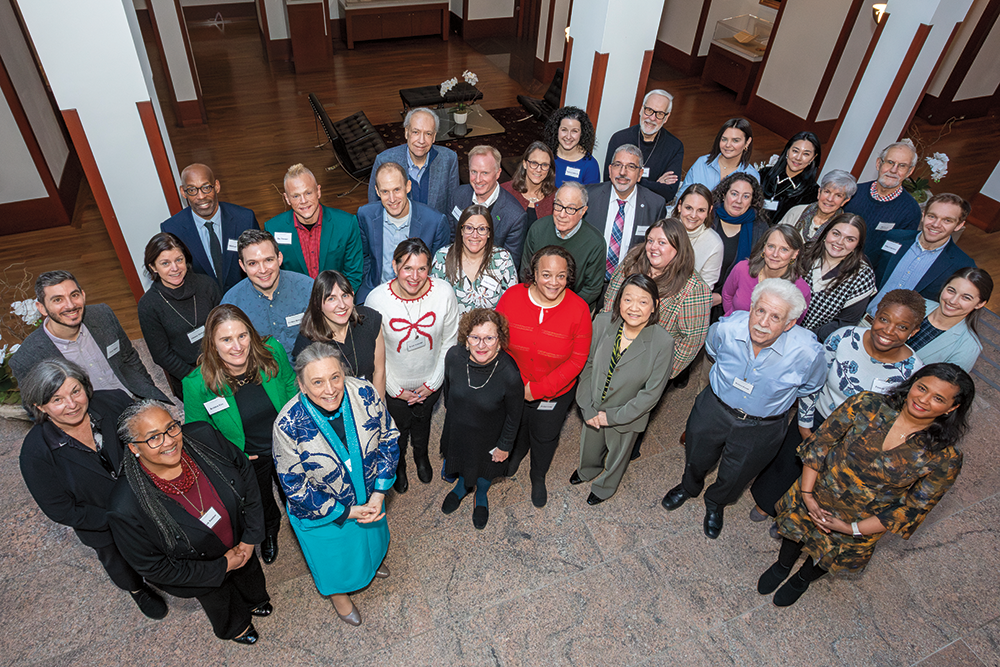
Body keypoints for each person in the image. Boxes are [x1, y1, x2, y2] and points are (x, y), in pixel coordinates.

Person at [758, 363, 973, 607]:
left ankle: (801, 580)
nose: (923, 400)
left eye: (938, 398)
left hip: (859, 524)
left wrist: (850, 529)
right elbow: (820, 444)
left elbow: (910, 510)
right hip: (815, 493)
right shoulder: (868, 404)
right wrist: (807, 495)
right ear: (913, 383)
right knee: (794, 532)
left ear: (951, 408)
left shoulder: (945, 458)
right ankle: (782, 565)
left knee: (829, 557)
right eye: (922, 388)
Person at [661, 279, 825, 539]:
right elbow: (713, 352)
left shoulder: (808, 353)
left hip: (763, 426)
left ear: (790, 324)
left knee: (737, 473)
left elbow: (810, 388)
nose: (763, 322)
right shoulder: (726, 329)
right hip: (714, 408)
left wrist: (804, 423)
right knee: (697, 454)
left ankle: (716, 503)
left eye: (775, 317)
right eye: (760, 311)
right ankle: (688, 487)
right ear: (751, 307)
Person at [750, 289, 926, 530]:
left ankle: (791, 519)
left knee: (825, 482)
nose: (888, 331)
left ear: (914, 332)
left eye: (902, 327)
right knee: (789, 464)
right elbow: (813, 381)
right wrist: (804, 423)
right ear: (874, 315)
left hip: (856, 437)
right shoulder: (844, 338)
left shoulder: (912, 372)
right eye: (884, 319)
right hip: (817, 416)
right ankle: (766, 503)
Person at [109, 401, 271, 643]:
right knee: (218, 599)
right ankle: (236, 626)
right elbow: (153, 566)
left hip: (239, 537)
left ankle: (255, 600)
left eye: (171, 428)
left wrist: (250, 538)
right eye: (154, 438)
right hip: (199, 568)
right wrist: (221, 566)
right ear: (134, 448)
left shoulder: (204, 436)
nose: (169, 441)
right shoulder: (125, 506)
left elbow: (245, 472)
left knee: (250, 573)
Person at [18, 360, 168, 620]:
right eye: (57, 399)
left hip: (151, 497)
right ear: (40, 407)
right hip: (101, 524)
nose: (72, 404)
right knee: (119, 562)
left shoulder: (115, 402)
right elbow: (61, 510)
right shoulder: (35, 453)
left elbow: (150, 440)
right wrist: (118, 518)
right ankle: (137, 590)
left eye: (75, 391)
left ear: (86, 387)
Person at [273, 343, 399, 626]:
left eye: (335, 377)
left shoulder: (363, 392)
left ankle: (370, 565)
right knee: (335, 559)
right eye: (317, 382)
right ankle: (339, 597)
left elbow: (389, 437)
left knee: (371, 541)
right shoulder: (287, 425)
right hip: (326, 514)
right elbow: (294, 486)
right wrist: (347, 512)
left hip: (370, 496)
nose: (329, 389)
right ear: (302, 386)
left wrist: (379, 493)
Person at [182, 304, 298, 565]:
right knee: (262, 500)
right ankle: (270, 530)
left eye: (242, 336)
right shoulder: (197, 384)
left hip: (286, 443)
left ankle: (303, 524)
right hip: (248, 458)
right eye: (226, 339)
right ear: (212, 344)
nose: (237, 346)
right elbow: (198, 437)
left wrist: (295, 426)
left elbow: (290, 383)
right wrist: (238, 457)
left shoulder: (271, 352)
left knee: (295, 488)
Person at [496, 246, 593, 508]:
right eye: (546, 274)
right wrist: (516, 385)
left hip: (555, 392)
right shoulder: (512, 296)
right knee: (515, 426)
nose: (553, 282)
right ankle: (516, 455)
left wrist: (537, 390)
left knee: (545, 435)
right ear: (534, 273)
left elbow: (577, 360)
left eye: (561, 276)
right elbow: (498, 342)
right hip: (513, 385)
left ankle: (538, 474)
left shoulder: (579, 309)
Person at [365, 238, 460, 494]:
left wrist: (432, 384)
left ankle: (421, 456)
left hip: (430, 381)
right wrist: (394, 389)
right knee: (397, 429)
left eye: (421, 268)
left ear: (430, 268)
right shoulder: (376, 299)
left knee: (424, 422)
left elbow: (449, 341)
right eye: (407, 268)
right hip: (394, 385)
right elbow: (374, 352)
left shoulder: (444, 293)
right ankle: (399, 465)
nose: (415, 276)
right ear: (395, 266)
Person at [574, 274, 674, 503]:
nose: (634, 308)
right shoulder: (602, 322)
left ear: (654, 306)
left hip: (627, 415)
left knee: (618, 457)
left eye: (643, 301)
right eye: (628, 299)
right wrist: (587, 406)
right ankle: (587, 470)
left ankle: (604, 487)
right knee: (589, 445)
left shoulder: (662, 342)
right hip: (594, 402)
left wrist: (612, 417)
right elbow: (587, 364)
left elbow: (651, 394)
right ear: (619, 300)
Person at [10, 271, 169, 402]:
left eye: (74, 295)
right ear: (42, 308)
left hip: (135, 399)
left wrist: (148, 395)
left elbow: (129, 357)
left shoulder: (103, 314)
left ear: (83, 295)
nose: (71, 305)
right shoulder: (27, 358)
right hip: (93, 421)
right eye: (58, 299)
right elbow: (36, 406)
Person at [439, 309, 524, 529]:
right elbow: (448, 390)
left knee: (484, 469)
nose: (481, 345)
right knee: (461, 460)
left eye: (489, 338)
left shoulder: (510, 374)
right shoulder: (454, 357)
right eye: (475, 337)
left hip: (490, 436)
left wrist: (504, 446)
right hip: (459, 428)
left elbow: (515, 416)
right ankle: (462, 487)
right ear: (466, 338)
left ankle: (481, 496)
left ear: (499, 341)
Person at [603, 218, 711, 379]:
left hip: (647, 365)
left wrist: (661, 375)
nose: (653, 247)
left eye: (662, 242)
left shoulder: (695, 290)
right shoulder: (632, 262)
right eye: (650, 241)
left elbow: (690, 343)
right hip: (613, 346)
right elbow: (610, 303)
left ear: (678, 248)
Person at [137, 232, 222, 400]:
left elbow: (225, 327)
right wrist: (196, 378)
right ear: (153, 267)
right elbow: (162, 355)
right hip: (188, 376)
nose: (174, 268)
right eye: (165, 263)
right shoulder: (148, 305)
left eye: (179, 260)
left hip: (223, 363)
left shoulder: (207, 285)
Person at [356, 161, 450, 302]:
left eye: (397, 190)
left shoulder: (435, 222)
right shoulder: (365, 215)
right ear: (377, 191)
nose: (392, 199)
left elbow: (438, 269)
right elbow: (364, 257)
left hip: (417, 295)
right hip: (376, 292)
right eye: (385, 192)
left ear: (408, 186)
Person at [160, 163, 259, 292]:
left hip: (245, 297)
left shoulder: (245, 218)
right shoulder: (172, 229)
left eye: (206, 188)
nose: (200, 196)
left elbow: (259, 261)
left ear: (216, 186)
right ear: (183, 192)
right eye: (192, 190)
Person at [868, 193, 976, 311]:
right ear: (923, 216)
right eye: (932, 216)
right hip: (863, 316)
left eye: (947, 220)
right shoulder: (894, 237)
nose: (935, 224)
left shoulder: (962, 265)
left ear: (959, 225)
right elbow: (869, 269)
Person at [222, 229, 314, 363]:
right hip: (264, 378)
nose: (263, 270)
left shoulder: (307, 288)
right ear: (242, 265)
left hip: (310, 371)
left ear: (279, 258)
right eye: (253, 263)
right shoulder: (232, 303)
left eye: (268, 260)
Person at [264, 163, 364, 287]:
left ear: (318, 191)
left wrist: (337, 302)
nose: (303, 201)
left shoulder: (347, 223)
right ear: (287, 199)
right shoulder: (273, 228)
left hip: (336, 299)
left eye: (308, 193)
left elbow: (353, 274)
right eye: (296, 196)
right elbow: (273, 276)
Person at [292, 270, 386, 397]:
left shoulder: (369, 320)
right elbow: (312, 390)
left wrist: (377, 410)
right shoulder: (307, 342)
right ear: (318, 304)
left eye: (345, 295)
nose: (342, 305)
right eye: (331, 298)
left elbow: (379, 372)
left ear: (353, 295)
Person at [520, 182, 607, 310]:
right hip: (537, 301)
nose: (562, 215)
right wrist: (540, 301)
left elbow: (592, 289)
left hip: (573, 307)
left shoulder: (595, 242)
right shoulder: (538, 229)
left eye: (570, 209)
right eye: (558, 206)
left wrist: (561, 307)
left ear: (583, 211)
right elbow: (526, 272)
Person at [587, 144, 667, 280]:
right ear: (610, 170)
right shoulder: (589, 196)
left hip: (628, 285)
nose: (622, 172)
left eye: (631, 167)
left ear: (640, 174)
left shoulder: (655, 205)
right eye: (618, 165)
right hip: (588, 281)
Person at [798, 213, 877, 341]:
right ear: (826, 233)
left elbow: (844, 323)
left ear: (857, 245)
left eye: (850, 239)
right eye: (836, 234)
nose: (839, 242)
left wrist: (803, 337)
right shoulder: (805, 253)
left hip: (815, 343)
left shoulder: (862, 276)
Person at [368, 107, 460, 215]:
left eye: (428, 134)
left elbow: (453, 206)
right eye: (416, 132)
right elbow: (374, 209)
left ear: (434, 137)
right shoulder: (384, 161)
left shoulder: (449, 159)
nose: (421, 141)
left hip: (435, 231)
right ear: (406, 132)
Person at [431, 205, 518, 313]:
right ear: (461, 230)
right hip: (452, 329)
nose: (475, 235)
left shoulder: (503, 260)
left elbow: (511, 305)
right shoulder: (442, 257)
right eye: (469, 228)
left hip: (490, 328)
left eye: (481, 229)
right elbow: (433, 302)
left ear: (489, 233)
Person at [602, 89, 684, 202]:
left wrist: (628, 180)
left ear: (666, 118)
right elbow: (609, 180)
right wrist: (655, 184)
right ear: (641, 109)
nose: (652, 118)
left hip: (651, 208)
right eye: (649, 110)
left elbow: (668, 193)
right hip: (618, 201)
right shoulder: (619, 139)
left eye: (659, 114)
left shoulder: (675, 147)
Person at [843, 141, 923, 256]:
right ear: (878, 163)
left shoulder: (911, 211)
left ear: (910, 171)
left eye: (902, 166)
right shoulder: (853, 192)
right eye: (890, 162)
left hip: (867, 271)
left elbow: (894, 254)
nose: (893, 170)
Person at [449, 145, 527, 260]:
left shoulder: (515, 216)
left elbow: (509, 264)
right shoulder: (458, 195)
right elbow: (451, 239)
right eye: (474, 172)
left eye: (485, 173)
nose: (478, 179)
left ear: (498, 173)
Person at [909, 267, 993, 372]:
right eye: (951, 291)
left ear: (980, 304)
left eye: (966, 297)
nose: (953, 301)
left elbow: (944, 386)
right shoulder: (914, 304)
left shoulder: (968, 346)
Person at [721, 225, 811, 320]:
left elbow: (794, 323)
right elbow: (727, 295)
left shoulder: (801, 290)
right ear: (764, 247)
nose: (775, 254)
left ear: (795, 254)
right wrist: (732, 320)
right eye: (771, 246)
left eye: (784, 249)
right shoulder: (742, 269)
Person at [709, 174, 771, 310]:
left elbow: (758, 269)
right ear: (724, 194)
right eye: (734, 194)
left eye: (746, 196)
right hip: (693, 296)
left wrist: (722, 296)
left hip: (732, 302)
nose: (738, 201)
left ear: (752, 201)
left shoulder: (760, 228)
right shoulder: (707, 216)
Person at [677, 118, 759, 194]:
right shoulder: (702, 163)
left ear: (747, 142)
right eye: (724, 139)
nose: (728, 145)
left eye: (735, 140)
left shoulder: (751, 175)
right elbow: (683, 196)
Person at [757, 132, 822, 224]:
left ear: (813, 158)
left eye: (806, 154)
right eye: (795, 151)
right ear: (788, 150)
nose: (798, 158)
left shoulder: (812, 193)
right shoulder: (764, 173)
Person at [778, 169, 857, 242]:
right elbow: (775, 238)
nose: (830, 199)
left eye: (838, 195)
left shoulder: (844, 227)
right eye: (827, 192)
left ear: (844, 201)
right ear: (819, 192)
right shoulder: (796, 212)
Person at [675, 183, 724, 290]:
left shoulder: (714, 243)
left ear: (709, 211)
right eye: (688, 208)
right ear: (679, 206)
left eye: (701, 210)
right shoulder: (662, 229)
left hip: (688, 302)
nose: (693, 215)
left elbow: (704, 290)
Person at [501, 140, 557, 230]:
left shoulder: (556, 197)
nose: (539, 169)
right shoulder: (504, 191)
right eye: (534, 163)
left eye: (544, 165)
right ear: (525, 164)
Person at [545, 106, 600, 187]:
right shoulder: (546, 155)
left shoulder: (590, 165)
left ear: (582, 133)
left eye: (574, 131)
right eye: (564, 130)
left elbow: (592, 197)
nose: (568, 136)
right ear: (556, 130)